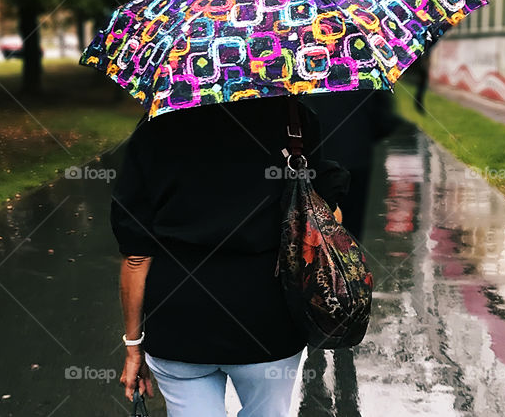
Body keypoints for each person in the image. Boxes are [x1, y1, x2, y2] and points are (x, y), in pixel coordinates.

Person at [112, 96, 349, 416]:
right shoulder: (294, 118)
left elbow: (137, 257)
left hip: (178, 324)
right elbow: (327, 218)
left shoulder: (156, 124)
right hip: (269, 321)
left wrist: (133, 347)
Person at [308, 90, 400, 240]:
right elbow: (385, 121)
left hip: (319, 159)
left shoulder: (303, 81)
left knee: (318, 222)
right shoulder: (366, 77)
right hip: (357, 157)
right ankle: (351, 252)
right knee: (352, 224)